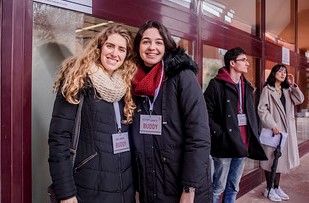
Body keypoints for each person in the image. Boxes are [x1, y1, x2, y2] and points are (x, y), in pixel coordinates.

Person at [48, 23, 137, 203]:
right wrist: (66, 192)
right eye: (110, 46)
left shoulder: (125, 85)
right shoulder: (78, 80)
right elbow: (59, 138)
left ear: (126, 55)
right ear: (99, 47)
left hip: (123, 187)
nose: (115, 53)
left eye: (121, 49)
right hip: (88, 187)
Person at [130, 20, 212, 203]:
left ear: (166, 46)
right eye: (146, 41)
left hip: (182, 187)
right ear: (138, 46)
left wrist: (189, 188)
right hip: (151, 185)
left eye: (158, 42)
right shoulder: (134, 81)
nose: (152, 47)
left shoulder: (182, 76)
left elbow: (199, 136)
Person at [203, 47, 267, 203]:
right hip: (224, 145)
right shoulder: (216, 85)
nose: (247, 64)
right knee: (218, 187)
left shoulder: (247, 86)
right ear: (232, 63)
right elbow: (205, 114)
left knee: (234, 186)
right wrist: (219, 134)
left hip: (242, 145)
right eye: (243, 60)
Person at [257, 64, 304, 202]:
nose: (283, 74)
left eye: (285, 72)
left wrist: (293, 85)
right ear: (274, 73)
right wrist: (272, 125)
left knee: (280, 161)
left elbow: (300, 99)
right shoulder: (268, 89)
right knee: (271, 160)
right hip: (273, 131)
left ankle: (276, 187)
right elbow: (262, 109)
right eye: (280, 71)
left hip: (285, 131)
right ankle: (269, 189)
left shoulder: (287, 90)